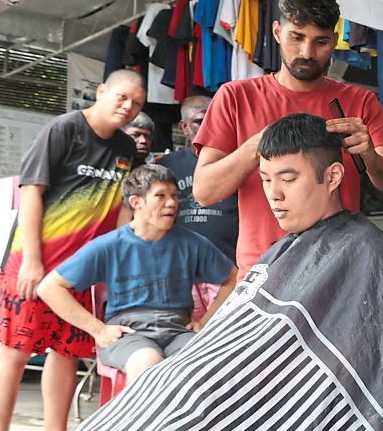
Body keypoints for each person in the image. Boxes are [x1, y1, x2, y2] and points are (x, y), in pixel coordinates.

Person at [0, 113, 383, 431]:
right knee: (150, 397)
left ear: (333, 175)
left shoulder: (363, 249)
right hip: (193, 373)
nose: (274, 194)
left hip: (260, 405)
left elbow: (356, 363)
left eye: (288, 178)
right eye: (266, 179)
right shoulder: (284, 248)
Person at [0, 70, 145, 431]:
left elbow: (121, 209)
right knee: (15, 351)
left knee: (67, 352)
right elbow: (31, 191)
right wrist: (32, 260)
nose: (128, 107)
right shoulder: (64, 130)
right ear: (101, 91)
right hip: (33, 266)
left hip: (78, 274)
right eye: (121, 97)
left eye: (137, 103)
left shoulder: (126, 148)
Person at [193, 0, 383, 275]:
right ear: (277, 32)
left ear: (335, 41)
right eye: (297, 37)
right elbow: (204, 192)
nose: (307, 52)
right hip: (262, 272)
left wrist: (370, 155)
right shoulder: (235, 97)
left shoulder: (361, 102)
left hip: (338, 270)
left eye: (321, 42)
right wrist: (260, 145)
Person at [36, 164, 236, 383]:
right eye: (160, 196)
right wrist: (98, 330)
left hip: (178, 330)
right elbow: (49, 287)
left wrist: (206, 321)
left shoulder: (192, 243)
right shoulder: (109, 245)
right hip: (129, 334)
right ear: (136, 202)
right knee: (147, 362)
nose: (171, 203)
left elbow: (233, 277)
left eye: (174, 195)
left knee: (205, 363)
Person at [158, 96, 238, 319]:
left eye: (214, 119)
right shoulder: (166, 166)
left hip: (228, 273)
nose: (208, 126)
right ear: (184, 127)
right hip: (178, 274)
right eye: (200, 121)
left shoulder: (236, 161)